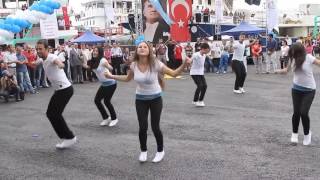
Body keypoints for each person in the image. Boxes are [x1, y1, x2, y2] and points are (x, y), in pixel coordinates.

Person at [105, 41, 191, 163]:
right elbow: (127, 78)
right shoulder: (133, 65)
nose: (142, 48)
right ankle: (143, 151)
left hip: (155, 99)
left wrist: (184, 64)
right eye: (140, 46)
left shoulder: (156, 64)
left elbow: (174, 73)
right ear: (137, 50)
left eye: (145, 46)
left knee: (155, 127)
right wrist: (111, 76)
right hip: (140, 99)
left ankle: (160, 151)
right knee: (142, 127)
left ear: (149, 50)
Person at [276, 43, 320, 146]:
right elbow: (286, 71)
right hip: (296, 89)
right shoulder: (293, 59)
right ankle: (294, 134)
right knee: (296, 112)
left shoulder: (308, 57)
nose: (292, 54)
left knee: (303, 113)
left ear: (299, 52)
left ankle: (307, 134)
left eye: (294, 52)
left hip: (309, 90)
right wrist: (277, 71)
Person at [36, 39, 77, 149]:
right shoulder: (42, 59)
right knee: (51, 114)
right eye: (37, 49)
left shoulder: (52, 57)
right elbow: (36, 63)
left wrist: (60, 65)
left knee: (54, 114)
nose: (38, 51)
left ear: (47, 49)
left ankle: (69, 137)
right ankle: (67, 137)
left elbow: (59, 62)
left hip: (65, 90)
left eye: (40, 49)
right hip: (60, 90)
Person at [91, 47, 118, 127]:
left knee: (106, 101)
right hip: (104, 84)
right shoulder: (94, 61)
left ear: (100, 52)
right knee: (97, 100)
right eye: (94, 51)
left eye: (96, 51)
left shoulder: (103, 60)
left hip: (111, 83)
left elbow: (111, 68)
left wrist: (108, 68)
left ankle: (114, 118)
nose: (94, 52)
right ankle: (106, 118)